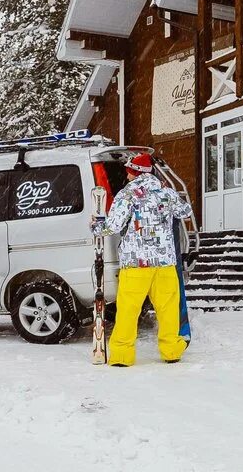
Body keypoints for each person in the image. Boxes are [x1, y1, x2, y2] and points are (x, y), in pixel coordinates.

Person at [97, 152, 191, 366]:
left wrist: (96, 226)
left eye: (128, 171)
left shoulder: (128, 194)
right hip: (165, 263)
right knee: (167, 309)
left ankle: (122, 354)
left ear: (133, 172)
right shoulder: (167, 192)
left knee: (129, 309)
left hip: (136, 263)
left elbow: (113, 226)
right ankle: (171, 350)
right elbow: (185, 211)